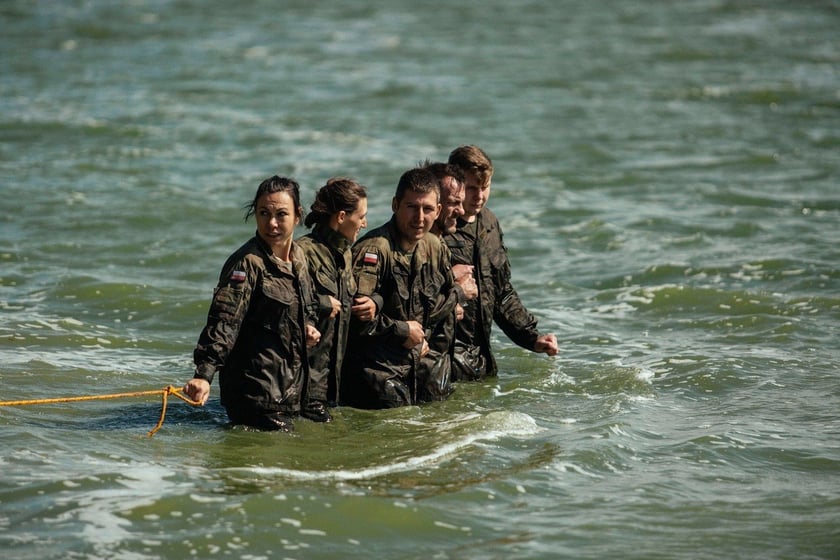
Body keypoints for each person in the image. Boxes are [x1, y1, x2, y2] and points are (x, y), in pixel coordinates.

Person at [183, 175, 321, 432]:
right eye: (263, 213)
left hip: (290, 389)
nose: (272, 223)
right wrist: (203, 376)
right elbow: (224, 322)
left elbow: (305, 305)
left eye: (281, 214)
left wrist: (308, 326)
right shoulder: (247, 263)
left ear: (298, 215)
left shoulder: (300, 257)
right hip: (254, 391)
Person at [340, 166, 465, 409]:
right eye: (411, 207)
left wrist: (426, 342)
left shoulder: (434, 247)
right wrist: (402, 331)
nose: (419, 218)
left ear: (438, 210)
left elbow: (446, 306)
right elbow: (354, 319)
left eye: (427, 209)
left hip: (421, 366)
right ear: (395, 205)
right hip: (377, 371)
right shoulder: (374, 250)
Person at [446, 145, 558, 381]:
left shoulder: (489, 223)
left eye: (485, 187)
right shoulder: (436, 227)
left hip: (481, 359)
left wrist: (531, 337)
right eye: (471, 189)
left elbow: (501, 292)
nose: (479, 197)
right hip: (443, 360)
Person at [296, 177, 378, 421]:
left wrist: (376, 303)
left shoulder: (346, 254)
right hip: (307, 383)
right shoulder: (303, 251)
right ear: (341, 217)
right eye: (361, 216)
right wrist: (321, 304)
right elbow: (287, 303)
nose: (365, 223)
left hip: (336, 383)